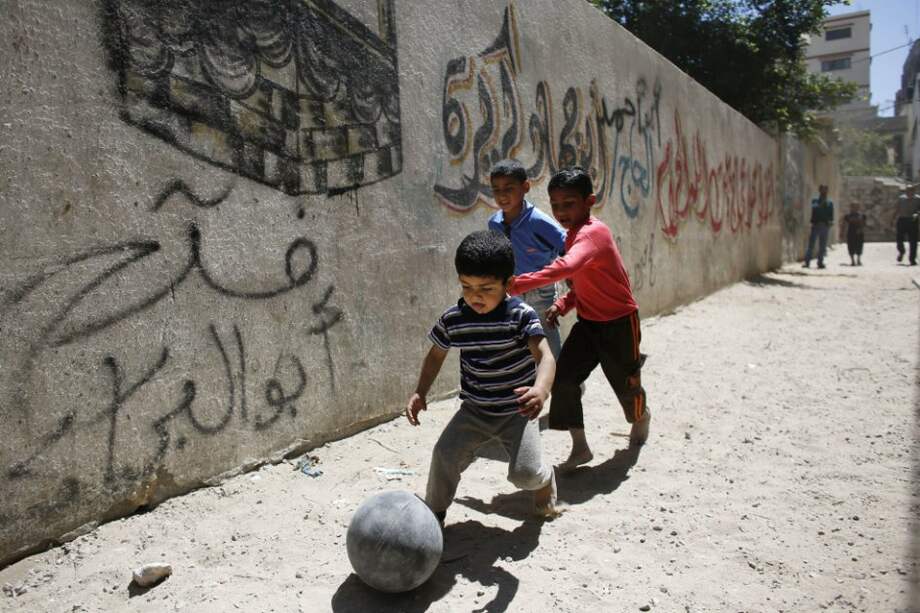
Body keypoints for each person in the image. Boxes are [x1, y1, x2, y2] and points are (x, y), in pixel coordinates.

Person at [406, 230, 559, 524]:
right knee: (443, 456)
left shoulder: (521, 316)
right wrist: (420, 392)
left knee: (524, 475)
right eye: (467, 286)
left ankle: (545, 478)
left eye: (487, 288)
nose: (476, 296)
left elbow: (545, 356)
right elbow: (435, 355)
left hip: (517, 412)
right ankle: (433, 517)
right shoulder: (454, 318)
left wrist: (540, 390)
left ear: (509, 285)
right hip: (474, 410)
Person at [509, 168, 649, 472]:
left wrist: (518, 283)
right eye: (555, 205)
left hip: (620, 323)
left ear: (589, 201)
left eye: (568, 204)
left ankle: (641, 416)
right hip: (588, 324)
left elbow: (567, 266)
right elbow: (580, 281)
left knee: (626, 386)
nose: (560, 212)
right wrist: (562, 304)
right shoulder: (572, 234)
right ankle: (580, 448)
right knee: (564, 380)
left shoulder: (593, 233)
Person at [488, 159, 567, 359]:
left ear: (525, 187)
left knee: (546, 340)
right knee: (521, 343)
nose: (502, 195)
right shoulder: (494, 223)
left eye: (509, 188)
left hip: (540, 293)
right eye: (496, 189)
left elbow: (567, 248)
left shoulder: (538, 221)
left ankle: (563, 385)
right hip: (512, 290)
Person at [803, 185, 834, 269]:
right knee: (811, 245)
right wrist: (822, 203)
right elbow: (815, 209)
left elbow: (831, 215)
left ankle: (820, 262)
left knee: (822, 246)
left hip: (824, 225)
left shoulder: (830, 203)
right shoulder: (815, 200)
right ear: (819, 190)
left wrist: (830, 222)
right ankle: (807, 261)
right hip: (816, 225)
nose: (824, 192)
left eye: (825, 190)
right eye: (822, 190)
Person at [895, 183, 920, 266]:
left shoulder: (918, 199)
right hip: (902, 219)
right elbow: (897, 209)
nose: (909, 192)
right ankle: (901, 251)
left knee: (913, 241)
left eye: (911, 190)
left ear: (914, 191)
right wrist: (892, 219)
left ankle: (912, 259)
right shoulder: (901, 199)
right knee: (899, 239)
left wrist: (917, 214)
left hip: (912, 221)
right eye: (908, 190)